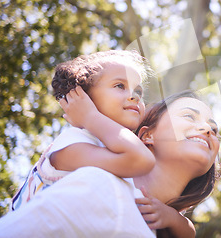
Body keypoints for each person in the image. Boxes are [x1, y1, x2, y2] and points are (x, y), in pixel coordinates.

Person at [0, 91, 221, 238]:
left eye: (214, 129)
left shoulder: (166, 229)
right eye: (189, 116)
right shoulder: (92, 170)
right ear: (147, 136)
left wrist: (172, 218)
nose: (209, 129)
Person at [11, 50, 155, 210]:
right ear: (84, 97)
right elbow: (142, 160)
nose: (134, 96)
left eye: (139, 91)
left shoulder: (112, 148)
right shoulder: (72, 144)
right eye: (120, 85)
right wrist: (90, 117)